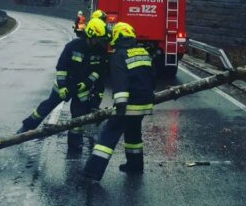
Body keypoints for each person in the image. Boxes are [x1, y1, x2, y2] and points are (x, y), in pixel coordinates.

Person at [18, 17, 109, 154]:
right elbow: (61, 67)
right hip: (64, 85)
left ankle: (74, 146)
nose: (100, 43)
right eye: (98, 39)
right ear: (90, 36)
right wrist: (62, 86)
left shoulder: (100, 52)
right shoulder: (73, 46)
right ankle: (25, 129)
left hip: (81, 90)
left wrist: (86, 84)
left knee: (78, 117)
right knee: (46, 107)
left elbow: (98, 72)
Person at [83, 22, 155, 182]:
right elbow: (152, 76)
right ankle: (135, 166)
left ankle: (92, 172)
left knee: (109, 135)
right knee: (133, 134)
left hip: (128, 105)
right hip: (145, 103)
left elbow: (120, 82)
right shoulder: (143, 52)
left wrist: (120, 105)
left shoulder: (119, 55)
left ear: (118, 36)